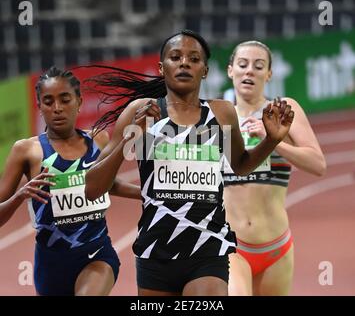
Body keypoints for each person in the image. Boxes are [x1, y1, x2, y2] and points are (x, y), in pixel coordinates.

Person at [84, 30, 295, 296]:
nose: (184, 63)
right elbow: (92, 188)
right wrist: (132, 135)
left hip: (209, 249)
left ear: (205, 70)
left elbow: (240, 165)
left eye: (194, 59)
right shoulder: (142, 111)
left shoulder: (221, 113)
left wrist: (271, 141)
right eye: (176, 57)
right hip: (155, 252)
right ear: (162, 68)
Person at [0, 66, 141, 296]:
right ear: (39, 107)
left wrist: (148, 195)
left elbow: (107, 184)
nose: (57, 108)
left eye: (65, 99)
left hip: (97, 254)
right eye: (48, 101)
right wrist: (19, 196)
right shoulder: (26, 150)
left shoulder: (98, 139)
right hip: (50, 264)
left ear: (79, 101)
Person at [223, 41, 327, 296]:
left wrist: (274, 140)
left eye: (258, 66)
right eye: (243, 65)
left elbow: (318, 165)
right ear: (230, 71)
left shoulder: (282, 111)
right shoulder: (219, 118)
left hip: (275, 247)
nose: (249, 71)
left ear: (269, 74)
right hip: (230, 246)